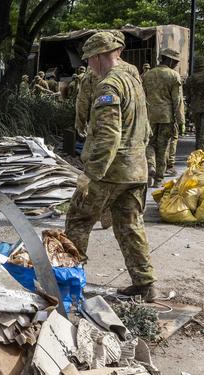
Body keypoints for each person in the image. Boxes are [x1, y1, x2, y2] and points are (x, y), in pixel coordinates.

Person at [65, 31, 156, 301]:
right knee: (130, 225)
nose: (88, 66)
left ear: (99, 56)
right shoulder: (133, 79)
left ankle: (70, 280)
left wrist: (90, 175)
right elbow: (146, 128)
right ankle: (145, 283)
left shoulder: (109, 86)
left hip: (111, 172)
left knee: (78, 221)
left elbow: (108, 136)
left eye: (89, 59)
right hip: (135, 170)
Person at [142, 48, 185, 186]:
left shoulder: (147, 75)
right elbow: (177, 101)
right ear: (170, 60)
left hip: (149, 116)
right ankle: (158, 179)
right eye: (176, 62)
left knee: (149, 143)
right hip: (166, 117)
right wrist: (181, 121)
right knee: (163, 147)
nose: (176, 65)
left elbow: (141, 97)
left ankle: (150, 165)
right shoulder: (173, 75)